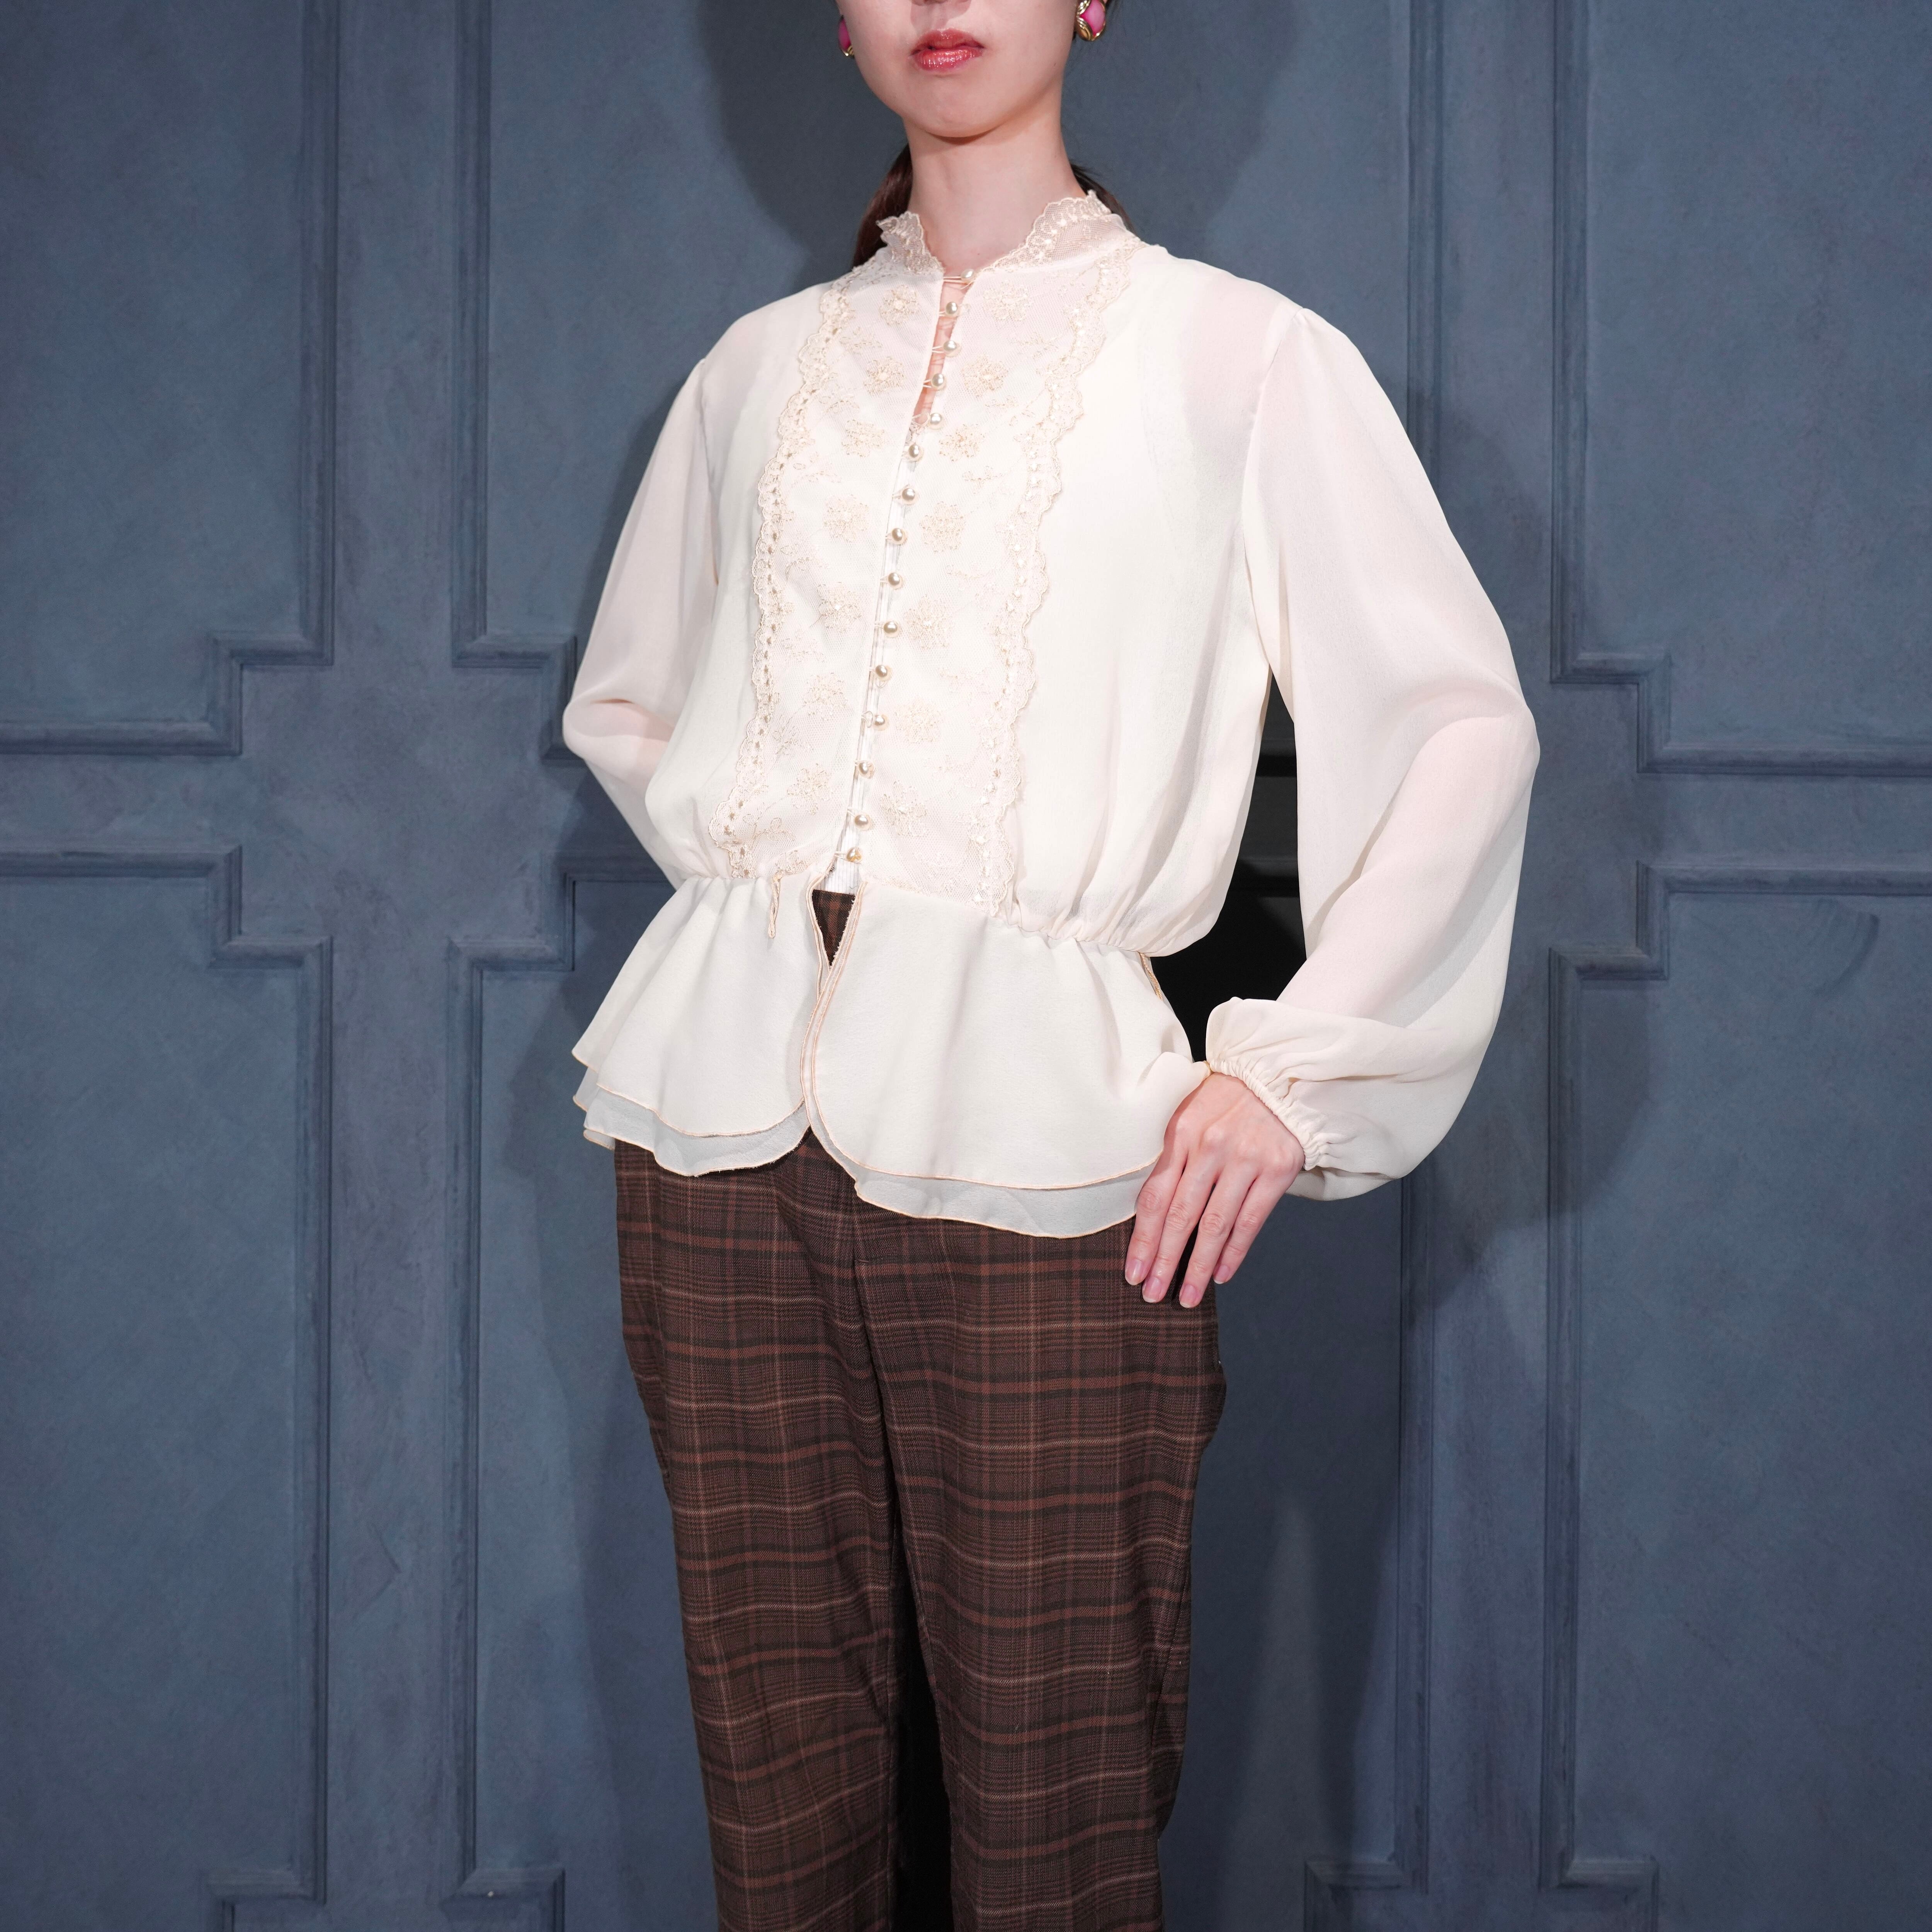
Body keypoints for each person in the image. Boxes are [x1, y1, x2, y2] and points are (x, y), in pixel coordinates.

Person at [560, 2, 1540, 1925]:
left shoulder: (1236, 358)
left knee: (1053, 1799)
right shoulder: (754, 373)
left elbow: (1450, 723)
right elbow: (634, 702)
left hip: (1051, 1150)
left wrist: (1293, 1068)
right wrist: (785, 881)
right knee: (776, 1786)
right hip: (713, 1146)